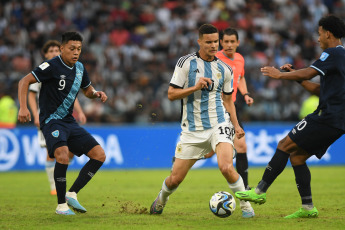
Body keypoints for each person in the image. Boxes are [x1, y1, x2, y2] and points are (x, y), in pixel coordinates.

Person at [235, 15, 345, 218]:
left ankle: (259, 191)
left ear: (328, 33)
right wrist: (294, 77)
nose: (318, 37)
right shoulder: (341, 57)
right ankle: (307, 207)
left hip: (327, 116)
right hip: (337, 120)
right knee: (297, 156)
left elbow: (308, 73)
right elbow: (317, 90)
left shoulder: (332, 54)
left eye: (319, 33)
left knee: (284, 145)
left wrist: (281, 75)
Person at [150, 24, 255, 218]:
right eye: (209, 42)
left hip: (219, 123)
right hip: (192, 129)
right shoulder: (185, 63)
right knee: (175, 179)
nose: (214, 45)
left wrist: (236, 125)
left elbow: (227, 100)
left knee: (226, 167)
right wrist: (194, 87)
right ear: (199, 42)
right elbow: (171, 94)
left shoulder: (225, 69)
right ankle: (161, 199)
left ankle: (246, 207)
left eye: (216, 41)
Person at [18, 31, 108, 215]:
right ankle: (61, 206)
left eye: (79, 49)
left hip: (69, 121)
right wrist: (23, 108)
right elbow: (24, 81)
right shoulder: (51, 66)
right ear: (62, 48)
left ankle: (72, 193)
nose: (76, 53)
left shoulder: (80, 68)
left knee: (99, 155)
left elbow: (87, 90)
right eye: (72, 48)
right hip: (51, 121)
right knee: (62, 155)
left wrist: (96, 93)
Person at [28, 40, 87, 196]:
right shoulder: (43, 70)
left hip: (65, 118)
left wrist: (80, 111)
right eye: (51, 51)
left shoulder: (66, 70)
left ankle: (60, 177)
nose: (54, 53)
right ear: (45, 54)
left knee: (71, 151)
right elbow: (31, 95)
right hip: (48, 118)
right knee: (51, 151)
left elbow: (72, 95)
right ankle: (53, 185)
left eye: (56, 50)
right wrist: (35, 115)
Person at [203, 28, 254, 190]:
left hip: (231, 106)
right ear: (221, 43)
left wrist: (245, 94)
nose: (229, 45)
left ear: (238, 43)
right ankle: (180, 159)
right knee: (206, 151)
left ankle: (245, 188)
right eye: (226, 42)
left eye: (233, 41)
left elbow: (241, 77)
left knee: (242, 146)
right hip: (215, 107)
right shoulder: (214, 59)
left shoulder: (239, 59)